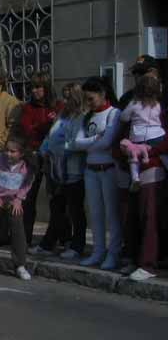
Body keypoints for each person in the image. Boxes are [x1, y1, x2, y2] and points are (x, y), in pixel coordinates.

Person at [68, 77, 122, 270]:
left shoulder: (114, 113)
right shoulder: (87, 117)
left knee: (111, 214)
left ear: (102, 95)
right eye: (86, 99)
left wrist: (90, 143)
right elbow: (76, 142)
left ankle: (113, 253)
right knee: (96, 214)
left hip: (108, 169)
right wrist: (96, 139)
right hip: (90, 170)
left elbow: (108, 142)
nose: (88, 103)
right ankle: (98, 251)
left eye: (91, 99)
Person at [34, 82, 87, 260]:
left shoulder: (81, 117)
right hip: (55, 169)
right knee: (56, 208)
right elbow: (51, 136)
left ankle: (77, 245)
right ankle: (50, 243)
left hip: (72, 170)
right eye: (63, 96)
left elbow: (76, 142)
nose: (65, 101)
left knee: (74, 210)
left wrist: (62, 149)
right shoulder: (62, 116)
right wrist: (43, 151)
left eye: (68, 97)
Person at [17, 73, 57, 245]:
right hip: (33, 154)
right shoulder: (28, 108)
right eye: (32, 87)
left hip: (53, 156)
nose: (35, 91)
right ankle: (25, 237)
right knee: (29, 196)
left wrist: (48, 126)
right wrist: (45, 126)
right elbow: (27, 130)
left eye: (38, 87)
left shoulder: (57, 106)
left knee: (56, 198)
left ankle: (59, 237)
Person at [0, 136, 34, 281]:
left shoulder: (26, 167)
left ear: (21, 153)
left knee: (17, 229)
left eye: (13, 152)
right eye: (7, 150)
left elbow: (27, 184)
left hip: (13, 201)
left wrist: (19, 199)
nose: (9, 154)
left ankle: (20, 265)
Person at [118, 73, 164, 190]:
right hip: (157, 136)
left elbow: (123, 117)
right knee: (163, 155)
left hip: (138, 138)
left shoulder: (134, 104)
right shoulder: (157, 104)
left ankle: (135, 178)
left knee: (133, 156)